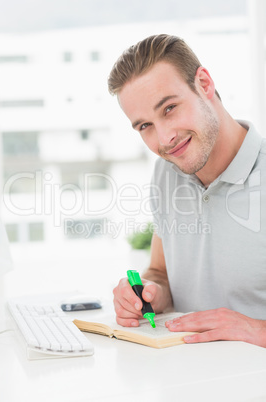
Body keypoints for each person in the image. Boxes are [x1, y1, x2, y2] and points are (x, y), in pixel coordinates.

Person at [108, 34, 266, 348]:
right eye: (145, 126)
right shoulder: (168, 172)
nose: (165, 139)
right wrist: (148, 294)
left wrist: (256, 329)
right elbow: (160, 271)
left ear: (204, 84)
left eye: (168, 109)